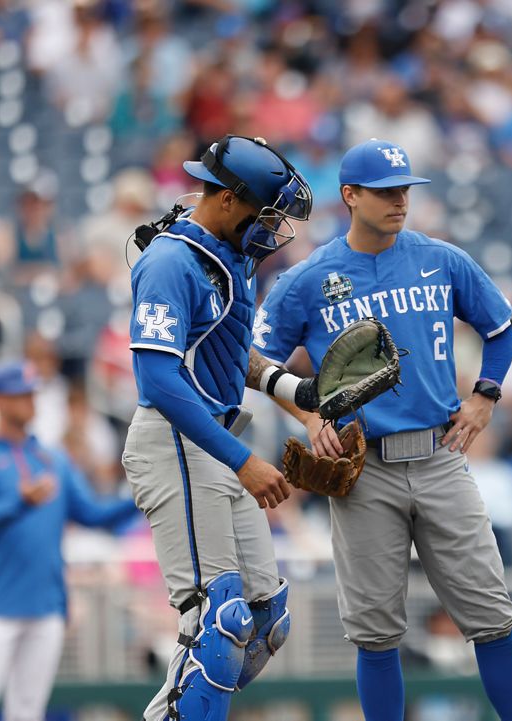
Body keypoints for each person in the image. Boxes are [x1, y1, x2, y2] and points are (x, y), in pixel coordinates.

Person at [252, 138, 512, 721]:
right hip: (362, 468)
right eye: (384, 191)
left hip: (440, 455)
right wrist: (306, 411)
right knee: (376, 634)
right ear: (350, 195)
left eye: (404, 189)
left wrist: (485, 396)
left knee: (491, 617)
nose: (399, 200)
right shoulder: (309, 278)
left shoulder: (441, 258)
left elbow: (502, 327)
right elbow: (252, 358)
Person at [122, 134, 312, 720]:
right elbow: (158, 378)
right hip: (178, 438)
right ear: (228, 199)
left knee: (263, 619)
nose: (272, 227)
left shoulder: (232, 255)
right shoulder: (170, 261)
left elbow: (231, 357)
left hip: (215, 437)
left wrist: (299, 396)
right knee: (218, 618)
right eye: (264, 211)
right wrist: (242, 459)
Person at [0, 361, 139, 721]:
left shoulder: (53, 459)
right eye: (22, 395)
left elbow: (91, 514)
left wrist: (141, 500)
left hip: (47, 605)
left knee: (28, 711)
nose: (31, 402)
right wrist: (20, 501)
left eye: (32, 394)